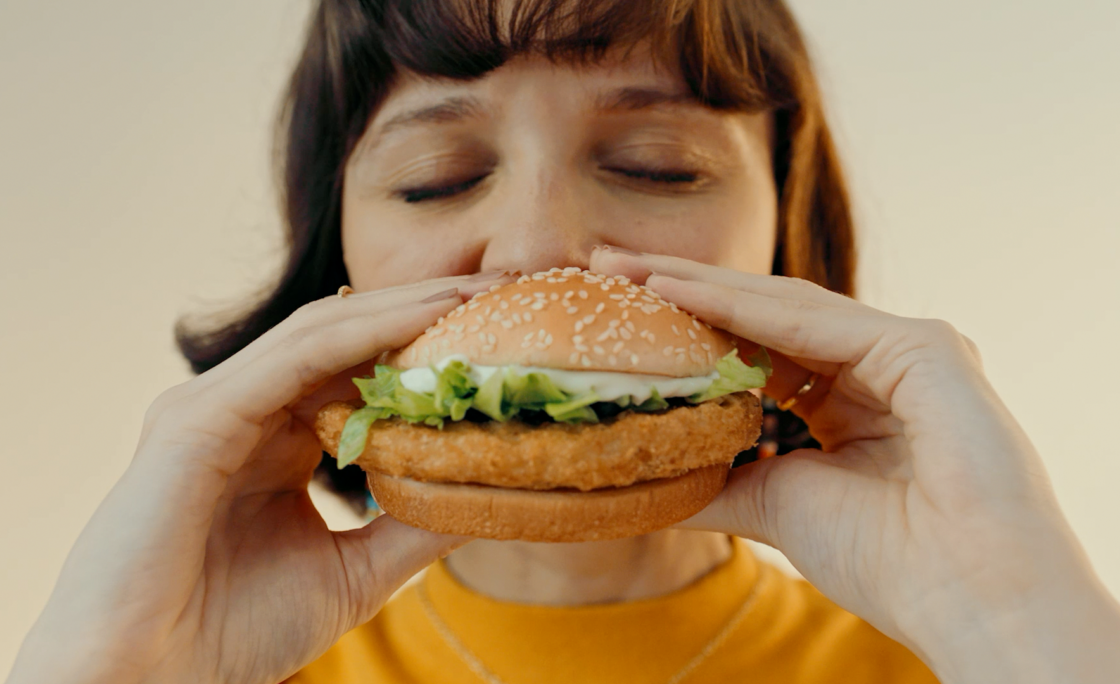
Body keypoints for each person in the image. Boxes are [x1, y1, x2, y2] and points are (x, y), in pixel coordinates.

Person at [8, 1, 1120, 683]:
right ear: (334, 266)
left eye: (656, 165)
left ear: (786, 241)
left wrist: (1015, 630)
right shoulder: (232, 664)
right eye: (436, 179)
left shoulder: (947, 659)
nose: (541, 247)